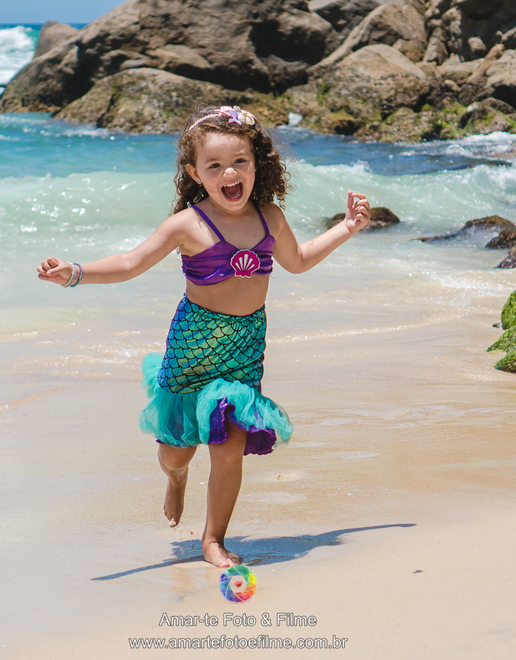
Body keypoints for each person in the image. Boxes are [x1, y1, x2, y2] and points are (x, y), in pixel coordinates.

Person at [38, 104, 371, 567]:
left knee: (229, 446)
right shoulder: (188, 225)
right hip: (193, 348)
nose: (229, 173)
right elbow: (131, 263)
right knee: (177, 452)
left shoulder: (269, 217)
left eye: (239, 162)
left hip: (243, 351)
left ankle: (212, 540)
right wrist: (75, 273)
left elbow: (299, 260)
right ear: (196, 173)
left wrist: (347, 227)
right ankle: (175, 480)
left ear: (257, 164)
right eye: (214, 165)